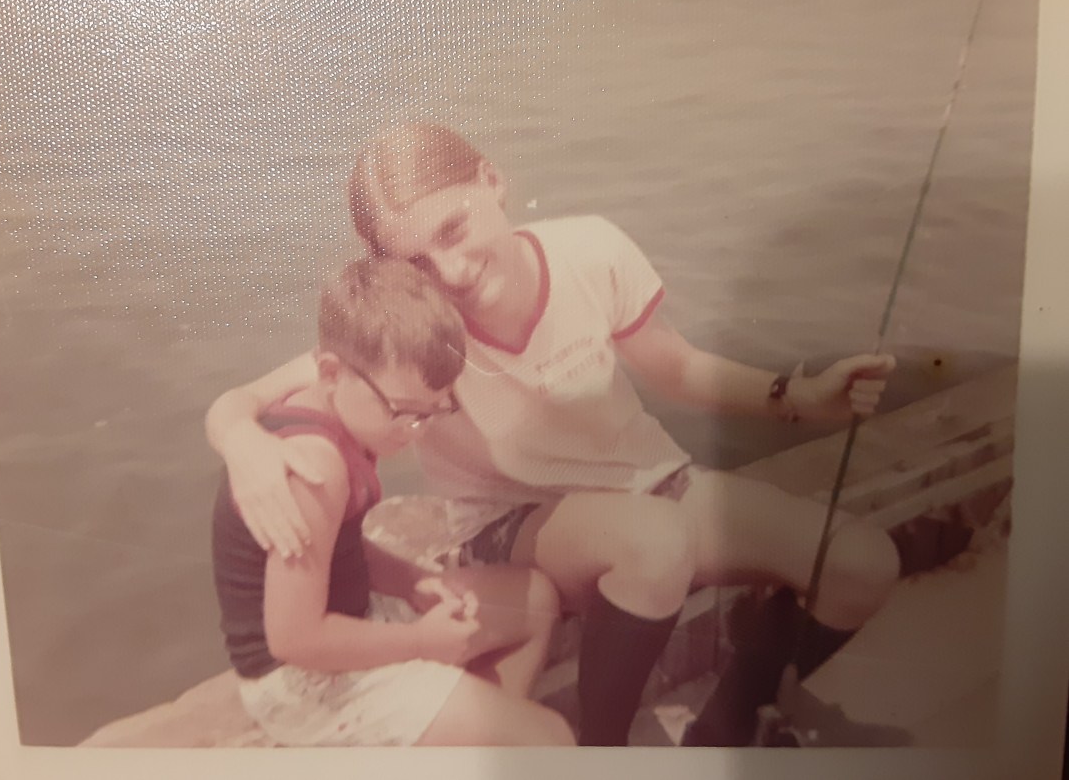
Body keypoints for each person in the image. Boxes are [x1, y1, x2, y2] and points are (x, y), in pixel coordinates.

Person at [206, 123, 901, 747]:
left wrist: (800, 396)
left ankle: (729, 720)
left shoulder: (591, 251)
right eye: (415, 262)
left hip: (656, 488)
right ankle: (600, 751)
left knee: (863, 563)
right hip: (519, 525)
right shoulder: (417, 332)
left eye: (453, 230)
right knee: (654, 541)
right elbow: (267, 396)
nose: (448, 273)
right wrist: (242, 442)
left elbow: (678, 367)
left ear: (493, 180)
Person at [211, 257, 573, 746]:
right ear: (331, 372)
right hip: (300, 682)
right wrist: (420, 644)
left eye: (433, 412)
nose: (414, 431)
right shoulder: (314, 468)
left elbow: (344, 549)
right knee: (552, 739)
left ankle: (459, 736)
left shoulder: (346, 409)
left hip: (348, 615)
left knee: (535, 601)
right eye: (403, 412)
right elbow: (293, 640)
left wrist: (415, 580)